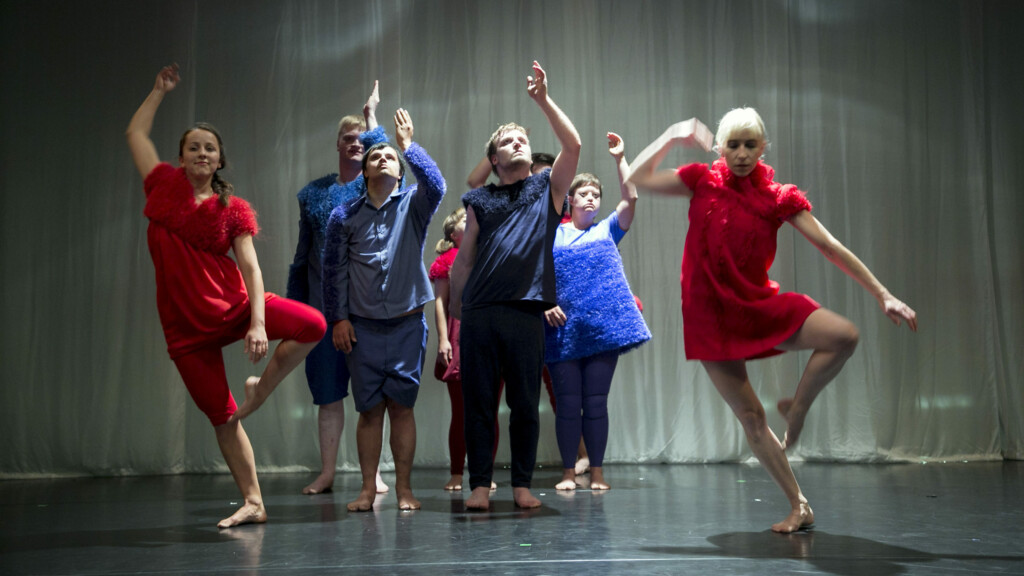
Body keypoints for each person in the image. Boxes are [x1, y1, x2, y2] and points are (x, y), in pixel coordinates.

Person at [627, 109, 918, 533]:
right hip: (710, 315)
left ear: (764, 147)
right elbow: (636, 177)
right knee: (751, 417)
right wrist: (672, 135)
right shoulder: (700, 180)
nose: (742, 154)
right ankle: (799, 504)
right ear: (719, 149)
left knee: (844, 335)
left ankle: (797, 408)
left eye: (750, 145)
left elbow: (831, 247)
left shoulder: (779, 198)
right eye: (733, 145)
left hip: (756, 305)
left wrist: (884, 294)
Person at [126, 64, 326, 528]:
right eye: (192, 147)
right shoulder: (161, 188)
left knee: (312, 324)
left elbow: (252, 269)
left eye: (209, 148)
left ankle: (259, 394)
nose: (201, 152)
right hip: (186, 329)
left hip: (234, 310)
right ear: (180, 158)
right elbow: (136, 133)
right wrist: (157, 91)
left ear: (219, 161)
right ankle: (254, 502)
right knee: (221, 416)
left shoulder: (231, 209)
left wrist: (256, 324)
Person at [449, 61, 581, 510]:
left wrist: (542, 101)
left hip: (526, 312)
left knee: (525, 404)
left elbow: (574, 145)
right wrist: (457, 311)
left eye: (522, 138)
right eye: (507, 140)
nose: (518, 142)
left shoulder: (547, 189)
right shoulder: (479, 198)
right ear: (494, 160)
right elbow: (465, 257)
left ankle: (521, 485)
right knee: (480, 404)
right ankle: (481, 486)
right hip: (482, 313)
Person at [322, 108, 446, 511]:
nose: (382, 158)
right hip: (363, 328)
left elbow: (437, 185)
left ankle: (405, 490)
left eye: (390, 156)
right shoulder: (344, 216)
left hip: (408, 324)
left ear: (400, 169)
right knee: (370, 410)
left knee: (402, 407)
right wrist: (338, 318)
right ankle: (366, 489)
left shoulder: (413, 205)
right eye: (375, 156)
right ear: (364, 169)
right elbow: (333, 271)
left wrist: (409, 145)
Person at [286, 82, 390, 496]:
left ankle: (374, 474)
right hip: (321, 312)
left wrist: (373, 122)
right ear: (337, 145)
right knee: (327, 396)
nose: (356, 144)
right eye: (349, 139)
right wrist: (294, 310)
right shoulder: (313, 193)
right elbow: (301, 255)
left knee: (371, 398)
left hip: (366, 310)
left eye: (362, 140)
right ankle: (327, 472)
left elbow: (385, 167)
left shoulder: (376, 187)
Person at [544, 132, 651, 492]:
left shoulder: (607, 230)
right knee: (568, 404)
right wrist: (546, 305)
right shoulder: (552, 235)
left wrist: (621, 158)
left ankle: (599, 471)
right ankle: (568, 473)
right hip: (563, 330)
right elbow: (536, 276)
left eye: (596, 195)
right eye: (584, 194)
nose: (591, 198)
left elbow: (631, 197)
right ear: (569, 200)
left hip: (602, 329)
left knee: (595, 403)